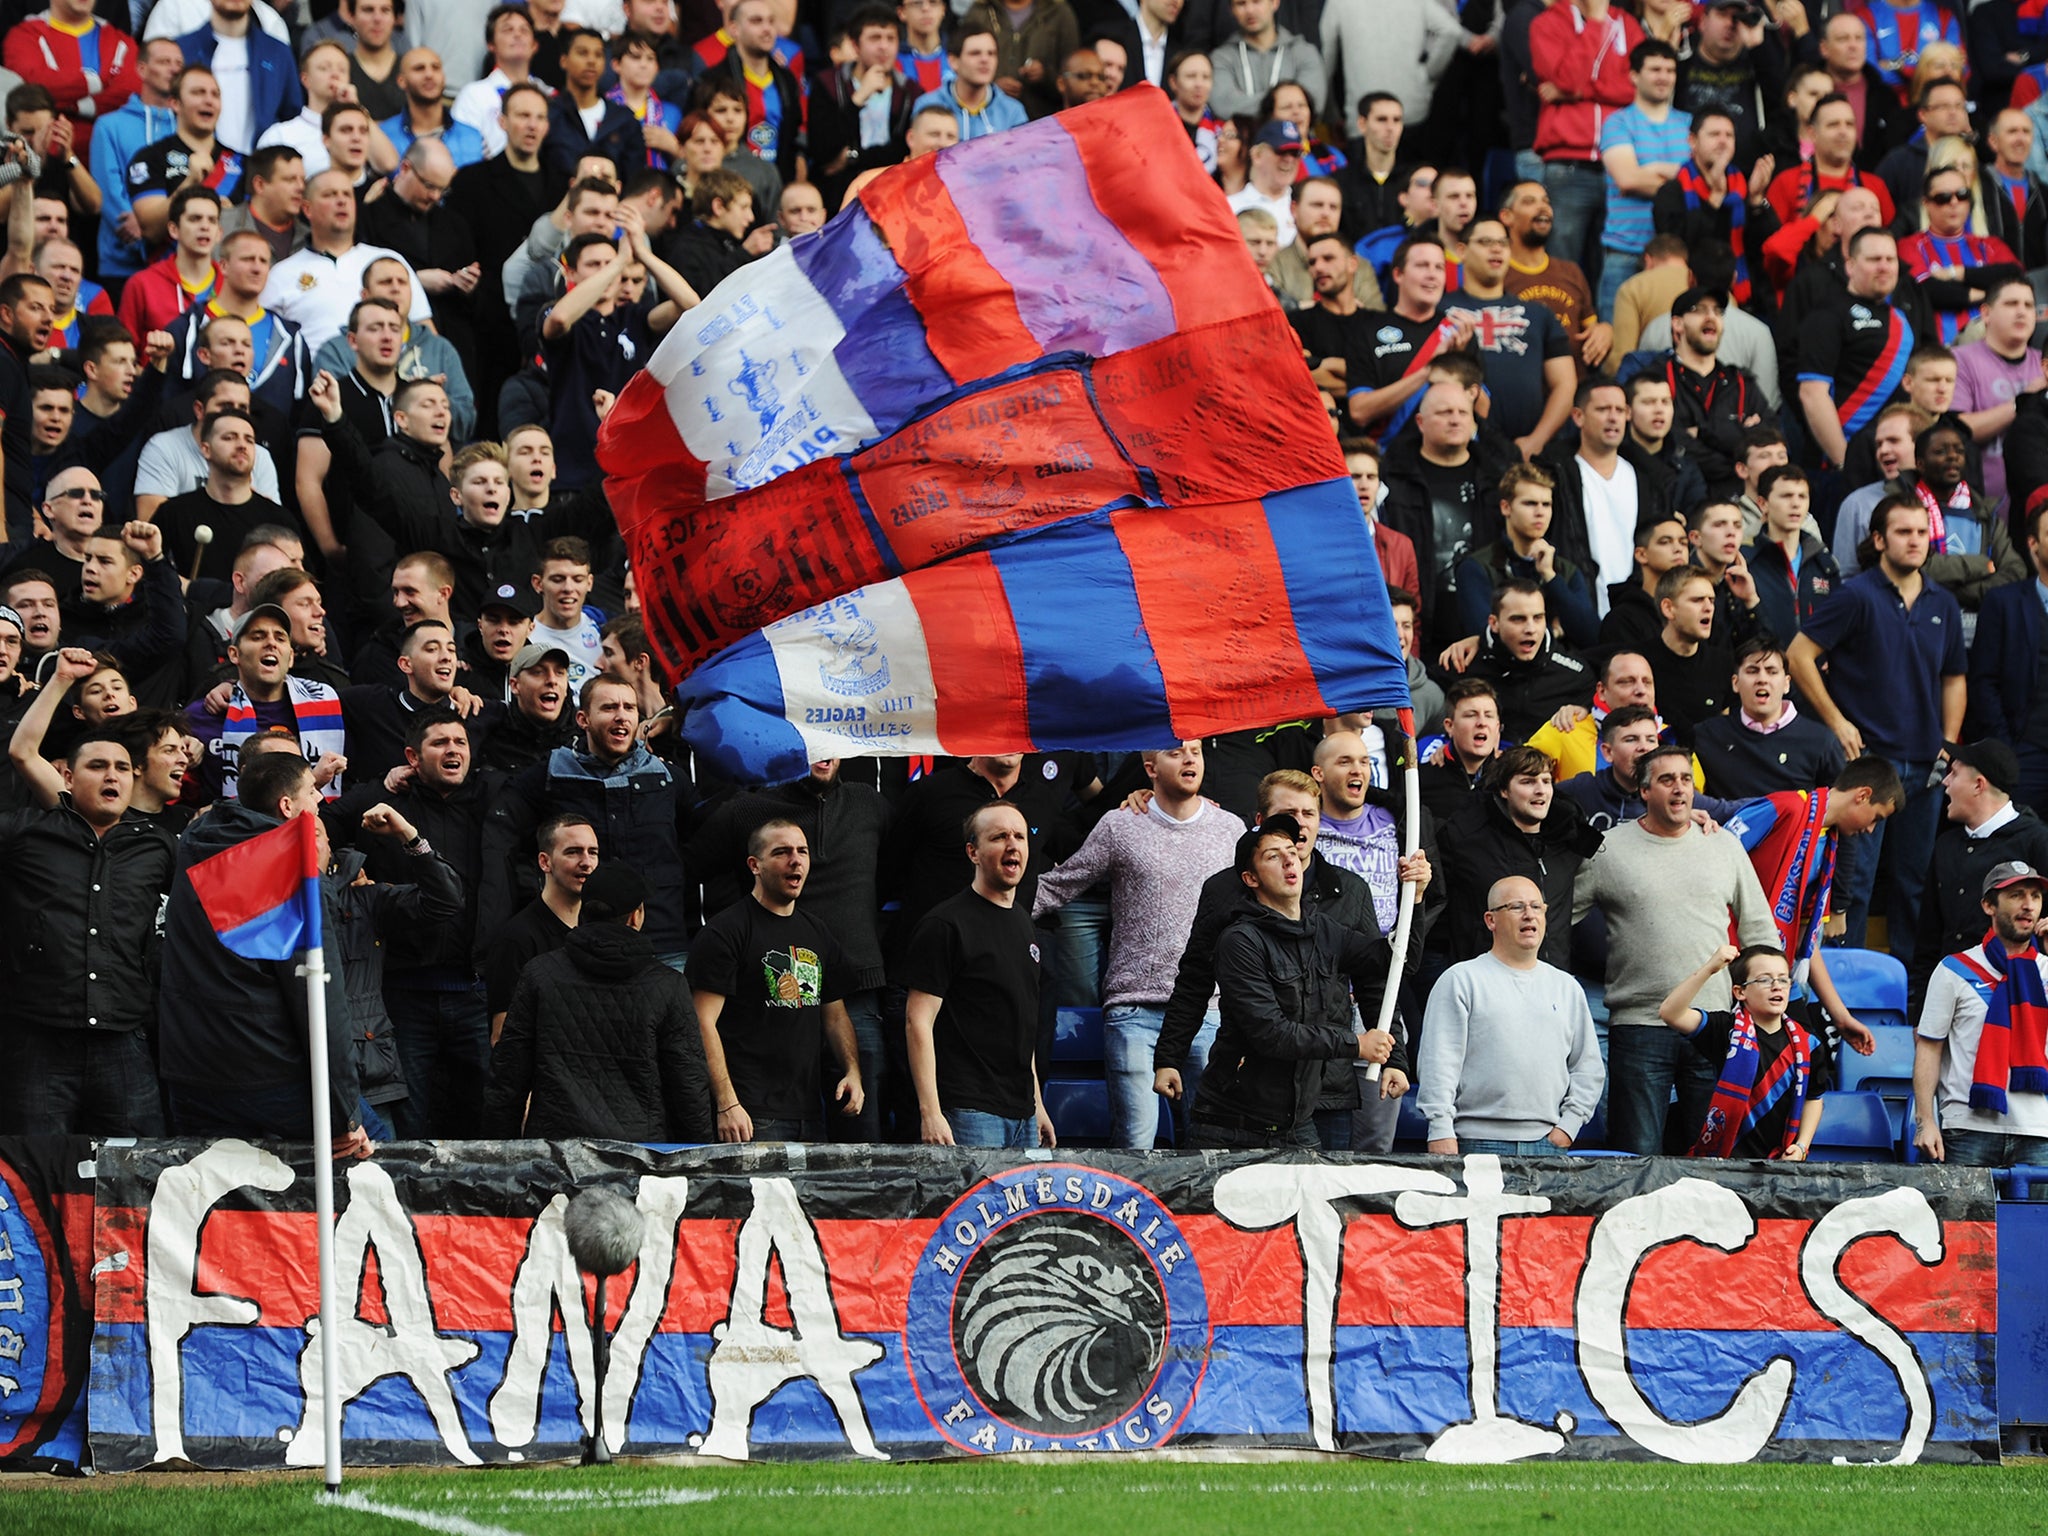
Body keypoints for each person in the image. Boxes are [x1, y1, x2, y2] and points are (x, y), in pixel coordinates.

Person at [1031, 742, 1241, 1149]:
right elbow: (1062, 883)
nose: (1190, 759)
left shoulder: (1230, 829)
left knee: (1211, 1147)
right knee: (1135, 1144)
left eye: (1196, 751)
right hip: (1134, 1010)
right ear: (1150, 768)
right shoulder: (1121, 824)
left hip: (1209, 1010)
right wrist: (993, 910)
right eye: (1176, 753)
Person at [1573, 742, 1778, 1153]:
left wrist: (1764, 1000)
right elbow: (1557, 920)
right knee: (1637, 1156)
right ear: (1644, 791)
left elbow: (1761, 932)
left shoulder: (1723, 845)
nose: (1680, 788)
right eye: (1667, 780)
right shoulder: (1608, 848)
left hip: (1713, 1025)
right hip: (1639, 1025)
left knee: (1711, 1159)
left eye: (1686, 779)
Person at [156, 749, 366, 1150]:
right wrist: (343, 1115)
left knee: (222, 1205)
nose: (320, 801)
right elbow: (320, 999)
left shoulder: (197, 845)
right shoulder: (289, 871)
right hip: (268, 1077)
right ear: (287, 807)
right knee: (376, 1152)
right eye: (312, 792)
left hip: (190, 1073)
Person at [1790, 493, 1965, 952]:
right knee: (1855, 882)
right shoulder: (1854, 595)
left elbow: (1954, 679)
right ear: (1878, 539)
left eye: (1922, 532)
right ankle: (1845, 993)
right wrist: (1838, 722)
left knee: (1913, 883)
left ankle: (1900, 989)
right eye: (1904, 532)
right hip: (1867, 762)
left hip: (1926, 766)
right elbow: (1798, 656)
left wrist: (1948, 742)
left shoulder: (1942, 602)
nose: (1915, 541)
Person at [1183, 814, 1407, 1150]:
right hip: (1233, 1128)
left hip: (1297, 1126)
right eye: (1273, 856)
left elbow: (1393, 959)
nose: (1290, 859)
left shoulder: (1325, 930)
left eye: (1291, 850)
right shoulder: (1239, 941)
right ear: (1251, 878)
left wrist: (1415, 898)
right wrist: (1356, 1044)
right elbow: (1271, 1034)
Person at [0, 714, 173, 1136]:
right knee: (34, 1177)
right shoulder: (25, 833)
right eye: (97, 766)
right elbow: (21, 751)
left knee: (136, 1176)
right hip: (37, 1040)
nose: (111, 775)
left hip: (124, 1040)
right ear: (68, 778)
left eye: (121, 768)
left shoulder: (158, 844)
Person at [483, 861, 714, 1139]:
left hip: (555, 1155)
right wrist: (696, 1162)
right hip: (640, 1155)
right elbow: (688, 1084)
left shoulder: (539, 974)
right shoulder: (669, 985)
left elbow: (507, 1077)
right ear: (635, 917)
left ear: (584, 913)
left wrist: (504, 1154)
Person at [690, 816, 863, 1143]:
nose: (796, 860)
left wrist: (852, 1071)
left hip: (811, 1111)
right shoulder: (726, 931)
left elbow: (835, 1015)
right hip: (750, 1113)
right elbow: (702, 1021)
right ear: (755, 865)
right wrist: (728, 1103)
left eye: (803, 851)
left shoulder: (817, 931)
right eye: (782, 852)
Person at [901, 801, 1054, 1149]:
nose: (1012, 844)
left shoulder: (1025, 924)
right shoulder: (944, 925)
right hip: (969, 1112)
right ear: (973, 852)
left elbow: (1023, 1026)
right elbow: (917, 1022)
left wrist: (1038, 1104)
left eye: (1020, 835)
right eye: (999, 836)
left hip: (1024, 1114)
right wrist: (931, 1112)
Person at [1420, 874, 1603, 1155]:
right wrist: (1440, 1128)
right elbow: (1439, 1062)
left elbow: (1587, 1066)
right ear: (1490, 920)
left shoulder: (1567, 987)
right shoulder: (1460, 980)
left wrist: (1569, 1126)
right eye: (1516, 907)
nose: (1529, 915)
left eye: (1536, 907)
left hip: (1548, 1144)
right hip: (1474, 1142)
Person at [1915, 861, 2048, 1166]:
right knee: (1963, 1218)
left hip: (2040, 1129)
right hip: (1967, 1128)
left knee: (2037, 1217)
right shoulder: (1954, 969)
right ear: (1989, 905)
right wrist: (1926, 1121)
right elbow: (1929, 1047)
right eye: (2016, 895)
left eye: (2035, 896)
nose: (2028, 905)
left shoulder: (2046, 969)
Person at [1911, 739, 2048, 1013]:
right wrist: (1920, 1013)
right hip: (1949, 1000)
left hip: (2017, 1004)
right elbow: (1928, 938)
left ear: (1978, 785)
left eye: (1954, 773)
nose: (1945, 782)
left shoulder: (2038, 841)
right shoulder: (1945, 845)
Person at [1659, 941, 1828, 1159]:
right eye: (1764, 980)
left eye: (1783, 979)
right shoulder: (1726, 1030)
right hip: (1723, 1160)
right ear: (1740, 992)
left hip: (1778, 1161)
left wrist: (1802, 1147)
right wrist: (1710, 968)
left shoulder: (1808, 1044)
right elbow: (1670, 1013)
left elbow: (1814, 1098)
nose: (1777, 986)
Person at [1439, 744, 1601, 971]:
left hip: (1551, 983)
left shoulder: (1567, 841)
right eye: (1528, 781)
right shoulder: (1468, 843)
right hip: (1486, 983)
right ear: (1504, 790)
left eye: (1546, 781)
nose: (1541, 790)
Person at [1528, 0, 1643, 284]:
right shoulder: (1546, 24)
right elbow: (1568, 78)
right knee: (1561, 266)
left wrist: (1579, 91)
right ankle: (1559, 329)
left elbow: (1639, 88)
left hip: (1621, 169)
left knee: (1615, 266)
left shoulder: (1627, 24)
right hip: (1567, 166)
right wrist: (1595, 21)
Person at [1449, 217, 1576, 458]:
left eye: (1503, 243)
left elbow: (1565, 384)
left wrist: (1536, 440)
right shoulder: (1438, 311)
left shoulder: (1539, 314)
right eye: (1486, 242)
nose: (1496, 249)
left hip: (1528, 450)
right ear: (1461, 251)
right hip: (1461, 448)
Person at [1797, 225, 1917, 472]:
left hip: (1895, 462)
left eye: (1890, 259)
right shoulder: (1827, 314)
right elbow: (1812, 394)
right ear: (1850, 266)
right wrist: (1844, 462)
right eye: (1874, 259)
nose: (1884, 266)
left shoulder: (1901, 317)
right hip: (1843, 460)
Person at [1450, 462, 1599, 651]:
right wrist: (1552, 632)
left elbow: (1591, 636)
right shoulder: (1476, 567)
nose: (1540, 512)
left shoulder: (1564, 570)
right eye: (1530, 503)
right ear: (1506, 507)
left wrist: (1550, 576)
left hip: (1559, 675)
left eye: (1546, 504)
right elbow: (1487, 637)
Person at [1597, 41, 1690, 325]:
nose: (1664, 76)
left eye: (1670, 70)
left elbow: (1702, 182)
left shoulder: (1689, 124)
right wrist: (1680, 178)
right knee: (1616, 350)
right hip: (1626, 251)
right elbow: (1627, 178)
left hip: (1677, 257)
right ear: (1634, 75)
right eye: (1655, 69)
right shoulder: (1618, 123)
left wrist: (1651, 170)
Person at [482, 812, 597, 1038]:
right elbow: (503, 1036)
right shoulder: (517, 939)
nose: (586, 862)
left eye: (592, 852)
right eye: (573, 852)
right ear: (545, 861)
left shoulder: (597, 929)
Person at [1694, 637, 1849, 797]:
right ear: (1735, 683)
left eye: (1772, 671)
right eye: (1752, 671)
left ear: (1786, 683)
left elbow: (1841, 807)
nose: (1762, 679)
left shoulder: (1821, 741)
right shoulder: (1707, 735)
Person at [1453, 578, 1595, 740]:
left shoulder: (1575, 676)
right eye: (1518, 619)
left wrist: (1584, 713)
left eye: (1538, 618)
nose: (1530, 629)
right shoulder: (1463, 663)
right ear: (1494, 623)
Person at [1953, 272, 2044, 519]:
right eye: (2011, 303)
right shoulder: (1960, 361)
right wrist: (2023, 400)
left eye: (2028, 305)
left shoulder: (2043, 363)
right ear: (1986, 313)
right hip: (1981, 510)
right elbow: (1960, 430)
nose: (2022, 312)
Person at [1745, 463, 1841, 645]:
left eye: (1802, 496)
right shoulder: (1746, 562)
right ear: (1763, 504)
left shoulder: (1825, 564)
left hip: (1815, 670)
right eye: (1786, 496)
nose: (1796, 503)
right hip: (1763, 668)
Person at [910, 22, 1027, 141]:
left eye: (991, 53)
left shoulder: (1012, 111)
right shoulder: (926, 104)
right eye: (975, 53)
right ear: (953, 61)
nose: (985, 60)